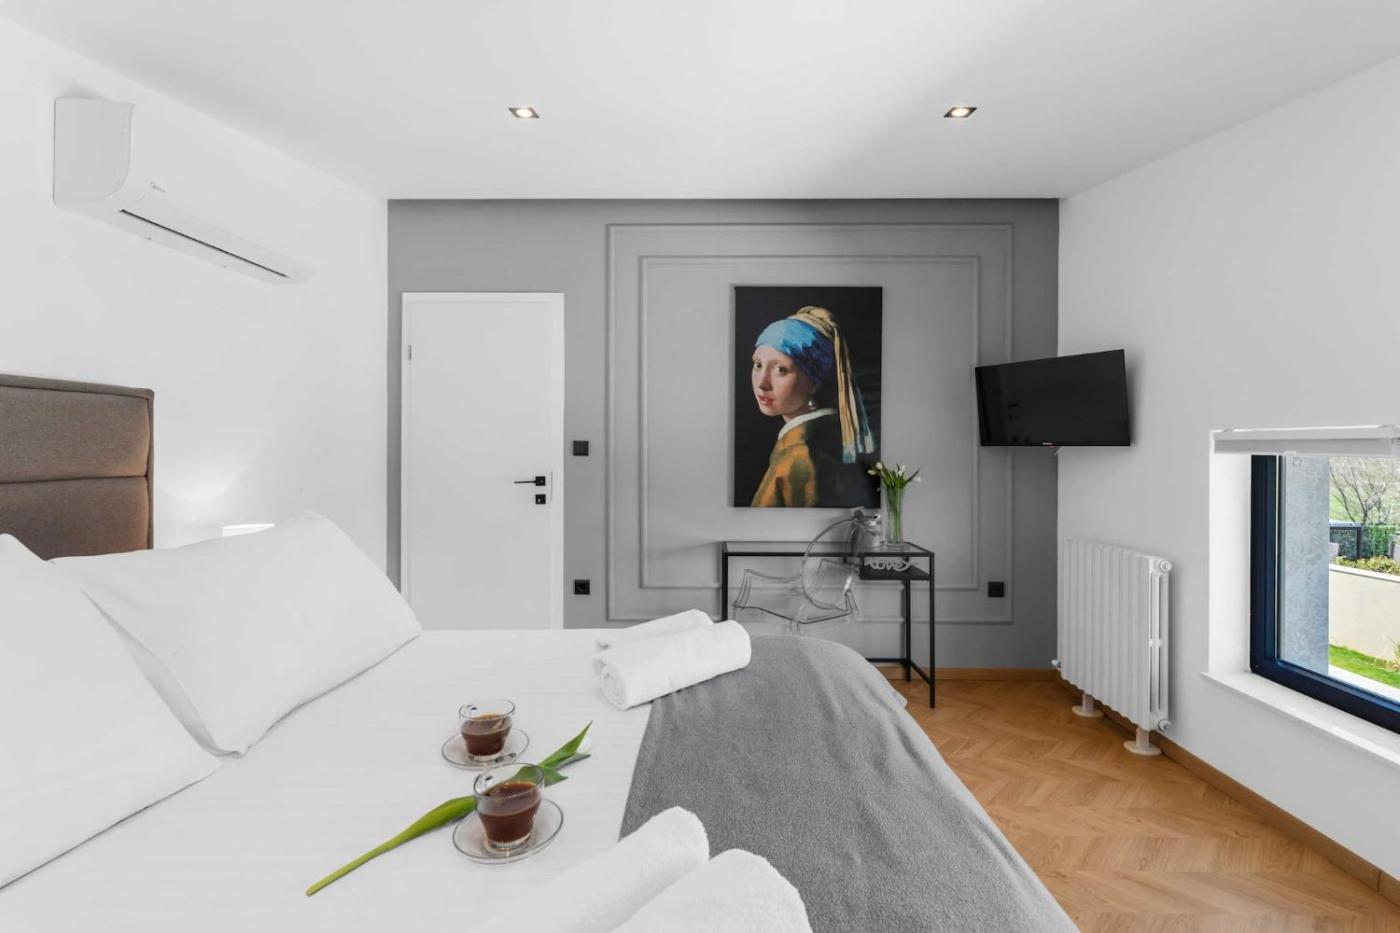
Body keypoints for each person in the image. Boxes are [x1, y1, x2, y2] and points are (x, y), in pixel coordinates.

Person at [748, 306, 875, 507]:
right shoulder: (828, 435)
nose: (762, 383)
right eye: (757, 365)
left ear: (813, 382)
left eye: (781, 369)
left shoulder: (800, 454)